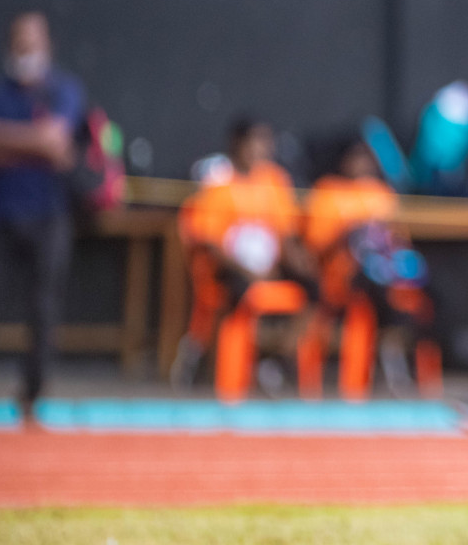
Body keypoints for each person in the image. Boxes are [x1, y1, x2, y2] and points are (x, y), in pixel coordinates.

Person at [172, 117, 317, 391]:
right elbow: (211, 242)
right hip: (230, 266)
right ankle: (226, 362)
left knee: (313, 287)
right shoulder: (218, 182)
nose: (262, 149)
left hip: (269, 265)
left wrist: (296, 260)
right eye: (255, 142)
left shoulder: (274, 180)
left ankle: (275, 361)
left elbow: (284, 233)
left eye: (266, 142)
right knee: (241, 292)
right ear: (237, 144)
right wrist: (246, 269)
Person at [0, 12, 83, 417]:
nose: (27, 48)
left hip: (50, 215)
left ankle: (31, 394)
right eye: (20, 40)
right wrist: (38, 145)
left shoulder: (63, 90)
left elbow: (58, 141)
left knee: (44, 308)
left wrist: (3, 141)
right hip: (0, 213)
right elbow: (46, 146)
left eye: (34, 40)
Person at [303, 136, 437, 396]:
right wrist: (347, 233)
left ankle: (408, 361)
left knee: (426, 291)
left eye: (366, 157)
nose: (361, 164)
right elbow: (316, 247)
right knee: (367, 287)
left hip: (384, 275)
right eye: (356, 157)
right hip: (343, 278)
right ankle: (383, 358)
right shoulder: (328, 191)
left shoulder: (381, 193)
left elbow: (399, 241)